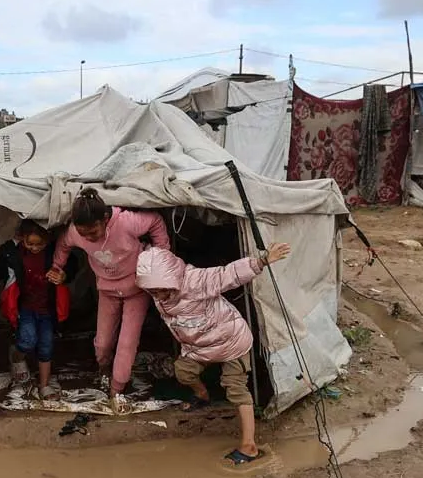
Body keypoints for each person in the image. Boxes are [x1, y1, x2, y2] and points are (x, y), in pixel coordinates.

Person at [135, 241, 291, 463]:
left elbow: (227, 274)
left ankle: (249, 446)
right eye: (153, 291)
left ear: (174, 277)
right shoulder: (157, 292)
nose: (158, 295)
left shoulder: (195, 280)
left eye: (162, 289)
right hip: (199, 345)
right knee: (183, 371)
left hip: (230, 341)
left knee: (235, 388)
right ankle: (202, 394)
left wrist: (262, 261)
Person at [49, 188, 170, 413]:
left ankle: (117, 389)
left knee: (127, 343)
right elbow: (64, 243)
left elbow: (155, 221)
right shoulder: (76, 232)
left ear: (105, 219)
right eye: (84, 234)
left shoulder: (125, 222)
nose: (89, 237)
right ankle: (103, 369)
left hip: (137, 289)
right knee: (103, 343)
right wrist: (58, 266)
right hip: (106, 290)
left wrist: (162, 256)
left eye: (93, 231)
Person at [0, 220, 70, 400]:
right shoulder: (12, 253)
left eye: (39, 244)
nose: (35, 248)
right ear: (22, 238)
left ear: (48, 240)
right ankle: (17, 355)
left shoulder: (55, 253)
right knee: (28, 340)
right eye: (30, 244)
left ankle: (44, 385)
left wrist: (63, 275)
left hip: (47, 308)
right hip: (25, 307)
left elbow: (72, 265)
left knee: (46, 346)